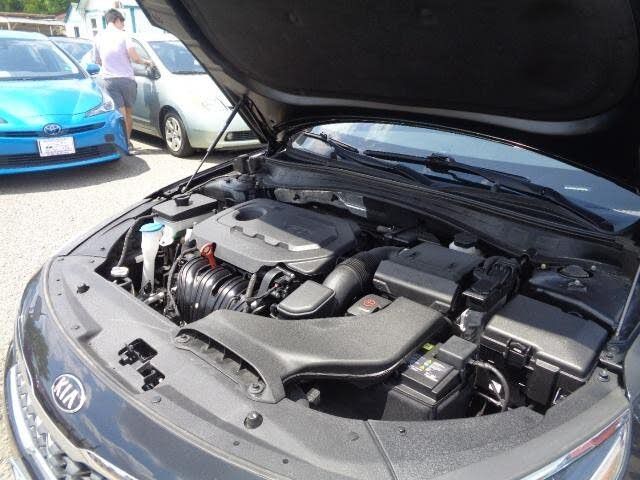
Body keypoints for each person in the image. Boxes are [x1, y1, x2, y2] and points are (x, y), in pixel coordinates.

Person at [92, 9, 152, 153]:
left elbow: (97, 60)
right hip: (126, 79)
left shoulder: (98, 37)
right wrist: (147, 62)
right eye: (122, 22)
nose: (123, 25)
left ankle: (120, 145)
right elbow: (135, 57)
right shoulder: (124, 35)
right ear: (117, 20)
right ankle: (127, 144)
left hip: (109, 80)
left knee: (119, 114)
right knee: (128, 114)